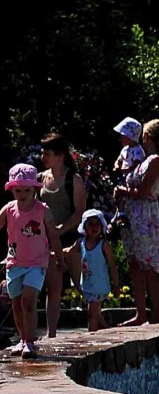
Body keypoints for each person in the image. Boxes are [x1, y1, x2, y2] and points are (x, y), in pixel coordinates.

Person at [112, 120, 159, 326]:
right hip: (133, 215)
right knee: (135, 264)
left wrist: (122, 191)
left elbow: (143, 191)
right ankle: (141, 313)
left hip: (145, 216)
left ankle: (156, 313)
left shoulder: (155, 161)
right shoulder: (144, 159)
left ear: (147, 137)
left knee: (149, 266)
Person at [3, 164, 59, 357]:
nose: (22, 194)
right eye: (18, 190)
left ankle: (30, 341)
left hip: (37, 262)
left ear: (34, 189)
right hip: (15, 263)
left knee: (28, 300)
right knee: (17, 304)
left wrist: (59, 258)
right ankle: (22, 338)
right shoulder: (9, 209)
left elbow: (53, 235)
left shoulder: (42, 210)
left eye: (27, 190)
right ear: (12, 190)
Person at [37, 135, 85, 339]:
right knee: (53, 287)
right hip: (48, 241)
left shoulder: (73, 179)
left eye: (47, 154)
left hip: (70, 239)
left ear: (60, 155)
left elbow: (79, 212)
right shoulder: (39, 179)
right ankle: (52, 334)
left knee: (80, 284)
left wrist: (60, 229)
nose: (43, 158)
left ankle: (97, 321)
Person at [76, 209, 117, 332]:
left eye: (97, 224)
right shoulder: (81, 243)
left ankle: (92, 334)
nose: (94, 227)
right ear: (85, 227)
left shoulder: (103, 245)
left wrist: (116, 284)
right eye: (90, 224)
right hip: (88, 285)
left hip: (99, 286)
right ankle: (106, 327)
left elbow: (112, 266)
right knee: (96, 312)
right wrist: (56, 253)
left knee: (91, 314)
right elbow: (69, 251)